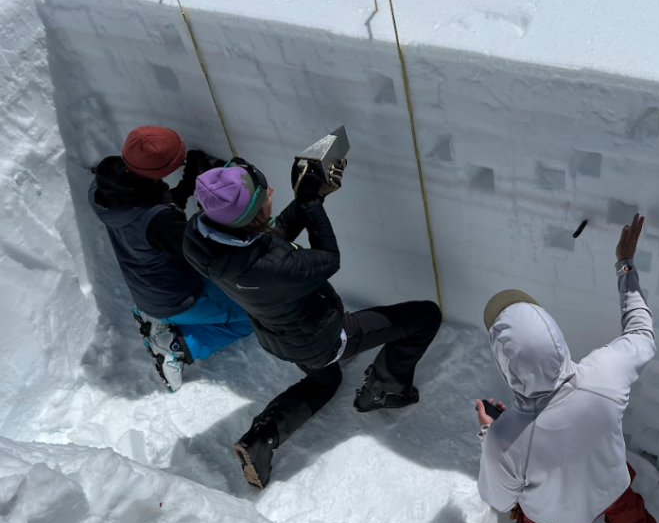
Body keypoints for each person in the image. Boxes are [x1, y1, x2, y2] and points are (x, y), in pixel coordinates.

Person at [182, 156, 441, 489]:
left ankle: (262, 438)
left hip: (277, 338)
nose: (272, 190)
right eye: (265, 196)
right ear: (253, 216)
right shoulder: (272, 267)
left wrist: (313, 198)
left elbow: (268, 238)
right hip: (323, 339)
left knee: (325, 382)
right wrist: (308, 203)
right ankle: (385, 390)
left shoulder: (200, 239)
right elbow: (327, 260)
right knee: (425, 317)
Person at [476, 214, 658, 523]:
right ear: (554, 335)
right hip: (612, 485)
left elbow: (500, 499)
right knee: (629, 512)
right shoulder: (604, 373)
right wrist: (625, 265)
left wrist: (490, 433)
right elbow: (641, 333)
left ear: (504, 362)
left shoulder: (504, 438)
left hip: (559, 519)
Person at [89, 125, 253, 391]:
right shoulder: (158, 222)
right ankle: (178, 345)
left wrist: (190, 179)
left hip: (147, 291)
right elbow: (206, 252)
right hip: (178, 299)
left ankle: (158, 318)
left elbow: (158, 209)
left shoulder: (103, 188)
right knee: (254, 314)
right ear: (161, 171)